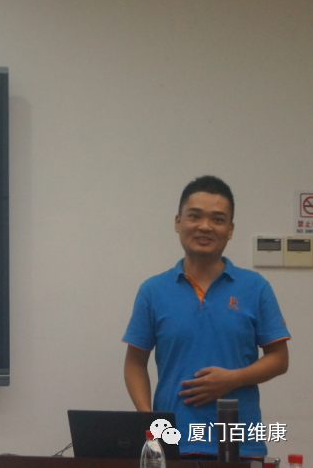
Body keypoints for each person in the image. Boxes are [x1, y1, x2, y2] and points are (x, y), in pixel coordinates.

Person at [122, 175, 290, 458]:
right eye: (195, 216)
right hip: (173, 444)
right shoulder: (153, 291)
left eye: (217, 219)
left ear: (230, 229)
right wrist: (148, 419)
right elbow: (135, 363)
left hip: (240, 444)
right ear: (178, 222)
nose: (205, 226)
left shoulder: (255, 287)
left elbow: (279, 359)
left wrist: (233, 379)